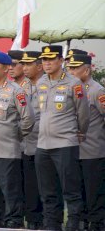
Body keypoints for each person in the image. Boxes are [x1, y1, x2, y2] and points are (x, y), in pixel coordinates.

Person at [0, 51, 35, 228]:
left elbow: (28, 119)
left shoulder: (16, 91)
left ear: (5, 69)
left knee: (11, 191)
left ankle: (14, 221)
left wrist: (14, 136)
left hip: (7, 151)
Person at [36, 45, 89, 231]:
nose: (47, 63)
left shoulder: (74, 83)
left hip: (65, 143)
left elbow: (83, 113)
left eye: (51, 59)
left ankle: (74, 223)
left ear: (60, 60)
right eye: (44, 60)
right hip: (43, 144)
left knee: (70, 189)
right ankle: (52, 224)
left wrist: (80, 132)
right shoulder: (41, 82)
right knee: (48, 190)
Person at [66, 53, 105, 231]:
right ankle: (80, 222)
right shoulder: (71, 88)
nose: (71, 71)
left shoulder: (97, 91)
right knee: (77, 190)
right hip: (73, 150)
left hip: (92, 150)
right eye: (69, 68)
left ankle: (97, 223)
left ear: (87, 70)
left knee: (93, 192)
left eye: (75, 68)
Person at [20, 50, 45, 230]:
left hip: (45, 144)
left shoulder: (48, 85)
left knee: (47, 186)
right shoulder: (23, 87)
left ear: (39, 66)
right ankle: (33, 219)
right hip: (27, 143)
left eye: (29, 64)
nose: (24, 68)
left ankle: (47, 220)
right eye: (24, 64)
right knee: (29, 185)